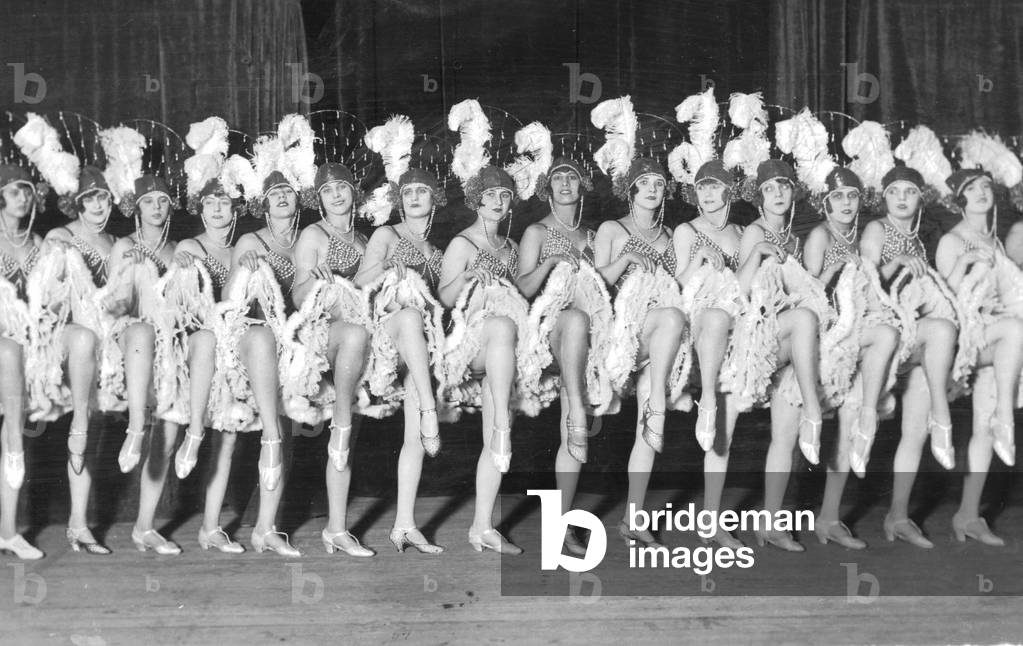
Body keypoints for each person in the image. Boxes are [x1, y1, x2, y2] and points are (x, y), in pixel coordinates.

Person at [859, 166, 960, 548]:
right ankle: (829, 518)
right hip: (878, 337)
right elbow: (866, 284)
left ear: (920, 199)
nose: (902, 198)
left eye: (910, 192)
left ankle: (898, 516)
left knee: (914, 432)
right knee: (857, 430)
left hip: (912, 340)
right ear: (884, 197)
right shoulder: (877, 230)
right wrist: (895, 263)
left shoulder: (918, 239)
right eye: (894, 191)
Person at [802, 167, 900, 549]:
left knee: (851, 419)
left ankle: (829, 518)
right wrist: (840, 268)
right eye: (838, 197)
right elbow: (809, 292)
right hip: (824, 341)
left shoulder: (862, 239)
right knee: (798, 434)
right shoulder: (820, 235)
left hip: (856, 338)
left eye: (852, 196)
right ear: (825, 203)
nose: (846, 203)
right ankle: (776, 519)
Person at [593, 157, 687, 548]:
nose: (652, 189)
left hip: (661, 340)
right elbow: (594, 284)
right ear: (630, 189)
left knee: (648, 430)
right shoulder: (612, 229)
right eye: (644, 183)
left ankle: (633, 519)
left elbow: (681, 286)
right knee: (669, 315)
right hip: (620, 332)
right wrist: (627, 257)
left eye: (659, 184)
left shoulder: (669, 235)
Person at [438, 165, 525, 554]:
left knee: (495, 437)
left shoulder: (510, 248)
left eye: (504, 196)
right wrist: (469, 276)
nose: (497, 201)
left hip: (501, 352)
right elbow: (442, 298)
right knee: (501, 327)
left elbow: (521, 296)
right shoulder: (462, 243)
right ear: (476, 199)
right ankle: (504, 421)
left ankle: (481, 527)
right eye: (490, 195)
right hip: (467, 342)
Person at [934, 168, 1023, 545]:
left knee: (983, 430)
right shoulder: (952, 239)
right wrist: (966, 261)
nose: (982, 193)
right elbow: (944, 301)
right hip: (965, 341)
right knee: (1015, 331)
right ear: (960, 200)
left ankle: (968, 515)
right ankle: (1007, 414)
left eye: (987, 186)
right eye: (972, 189)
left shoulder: (994, 239)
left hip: (996, 340)